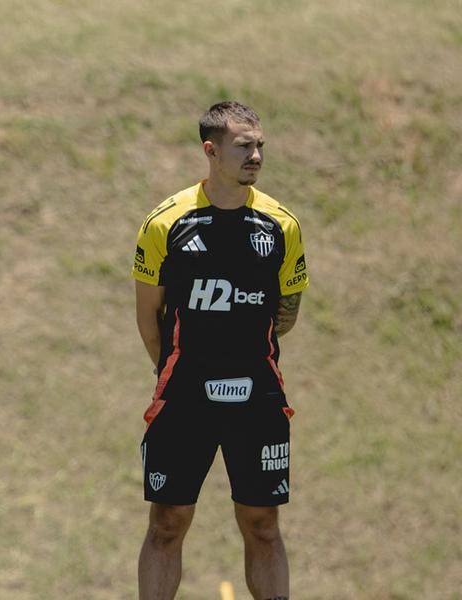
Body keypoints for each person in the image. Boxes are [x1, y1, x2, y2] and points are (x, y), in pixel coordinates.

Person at [132, 101, 309, 600]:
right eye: (243, 146)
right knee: (167, 522)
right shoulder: (165, 223)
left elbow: (286, 314)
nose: (256, 156)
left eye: (260, 146)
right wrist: (176, 370)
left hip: (258, 396)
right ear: (210, 151)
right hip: (184, 395)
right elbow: (149, 317)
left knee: (263, 525)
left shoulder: (282, 225)